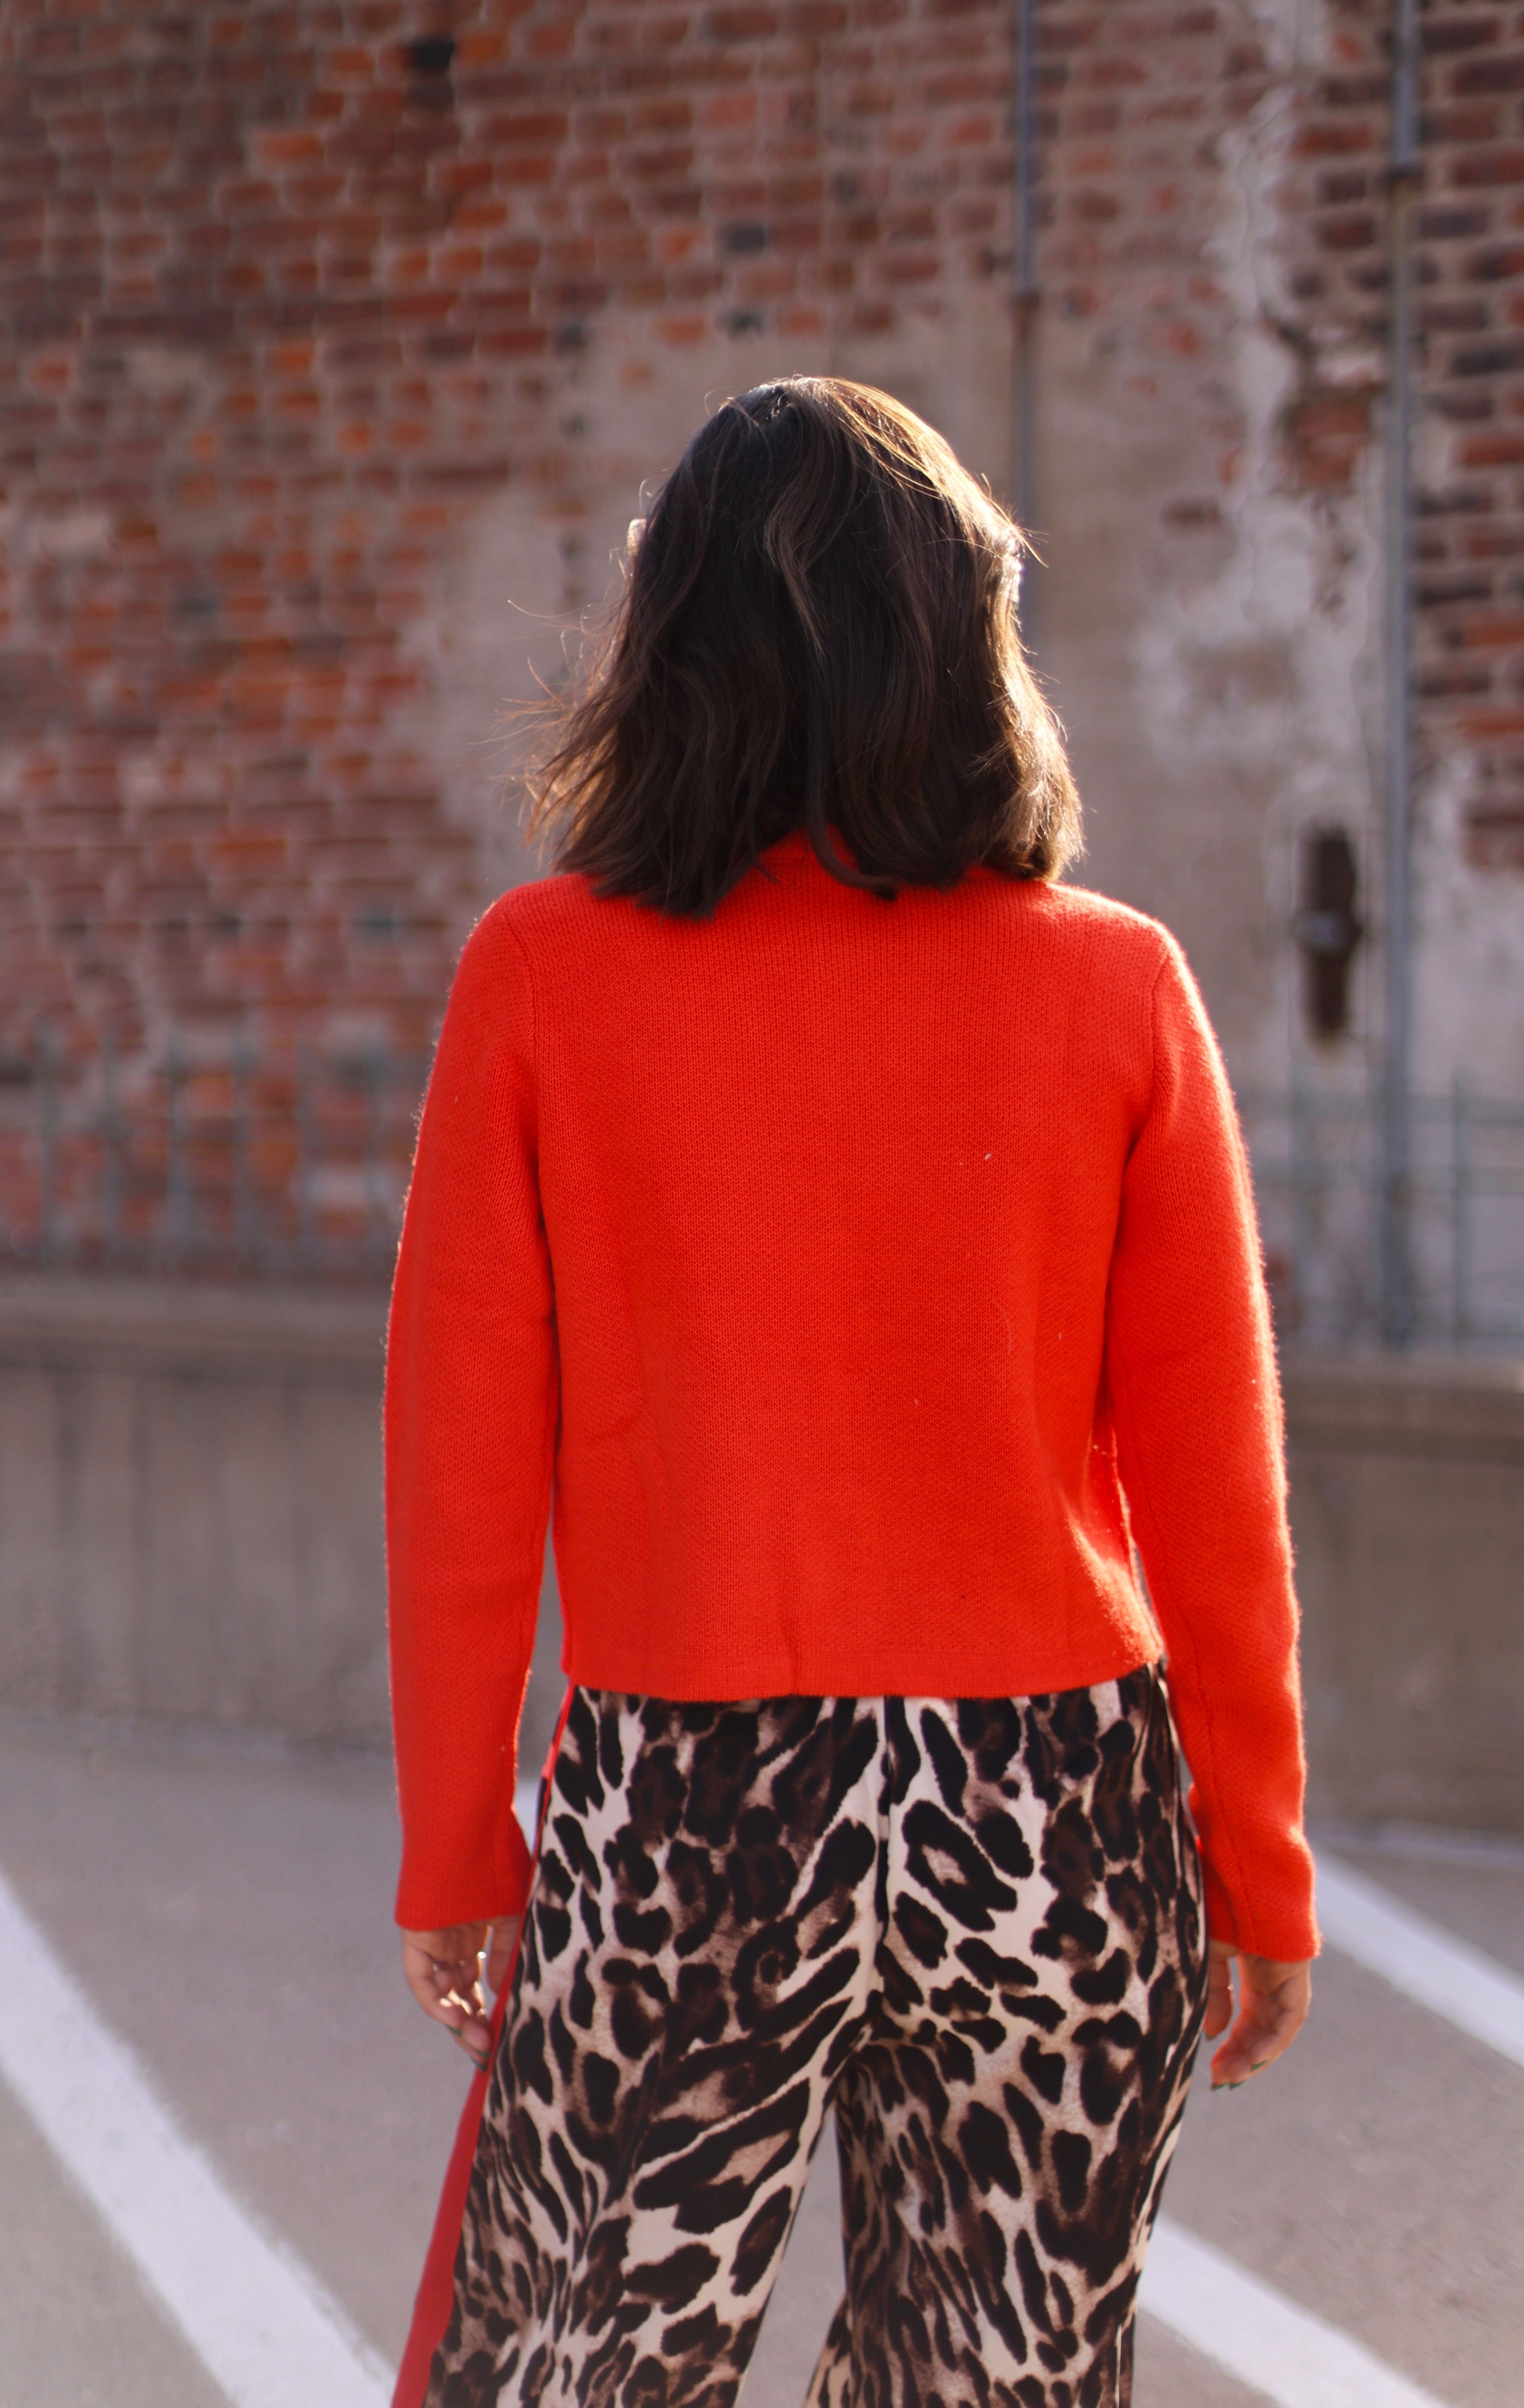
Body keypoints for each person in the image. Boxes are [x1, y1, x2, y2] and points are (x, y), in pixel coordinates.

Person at [383, 378, 1317, 2408]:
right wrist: (1256, 1856)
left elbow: (463, 1456)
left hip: (695, 1806)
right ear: (963, 644)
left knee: (585, 2372)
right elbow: (1207, 1480)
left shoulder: (542, 974)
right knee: (998, 2387)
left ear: (676, 648)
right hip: (1058, 1810)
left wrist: (458, 1839)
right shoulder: (1118, 988)